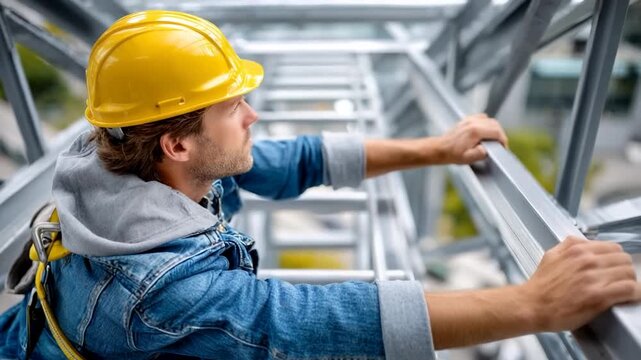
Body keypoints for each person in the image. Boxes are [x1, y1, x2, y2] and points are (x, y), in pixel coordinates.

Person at [1, 10, 639, 360]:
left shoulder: (127, 159)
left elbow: (291, 159)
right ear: (177, 144)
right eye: (233, 108)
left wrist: (438, 149)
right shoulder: (158, 296)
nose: (253, 116)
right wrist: (533, 306)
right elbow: (308, 322)